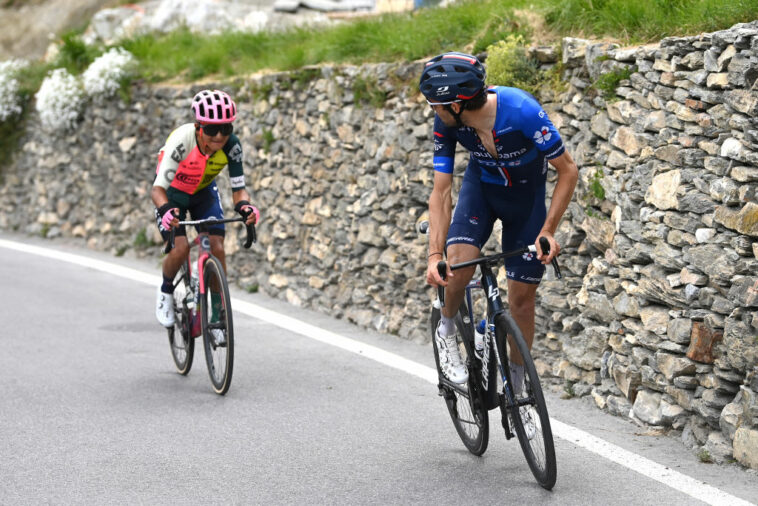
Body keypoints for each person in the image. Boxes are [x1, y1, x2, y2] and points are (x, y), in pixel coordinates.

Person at [420, 52, 578, 386]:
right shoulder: (446, 123)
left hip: (526, 201)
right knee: (461, 261)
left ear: (458, 104)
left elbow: (567, 170)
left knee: (521, 301)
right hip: (482, 192)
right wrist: (436, 254)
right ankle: (446, 328)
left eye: (436, 104)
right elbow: (442, 191)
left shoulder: (521, 111)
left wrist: (548, 230)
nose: (433, 110)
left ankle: (519, 386)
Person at [152, 89, 259, 329]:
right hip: (171, 195)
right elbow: (157, 190)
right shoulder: (182, 142)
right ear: (199, 127)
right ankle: (166, 292)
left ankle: (218, 314)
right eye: (211, 129)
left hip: (203, 193)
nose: (219, 136)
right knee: (179, 249)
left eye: (226, 128)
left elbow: (239, 190)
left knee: (217, 246)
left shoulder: (232, 146)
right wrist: (167, 210)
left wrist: (246, 207)